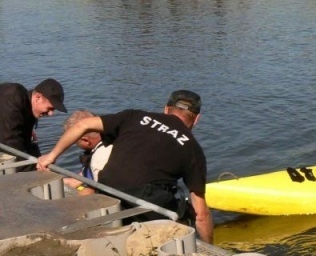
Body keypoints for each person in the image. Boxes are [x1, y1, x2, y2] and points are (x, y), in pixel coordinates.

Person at [37, 90, 213, 244]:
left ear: (166, 109)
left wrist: (51, 156)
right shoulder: (193, 149)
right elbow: (202, 215)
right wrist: (211, 248)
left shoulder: (135, 116)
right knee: (187, 210)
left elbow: (82, 125)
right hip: (145, 203)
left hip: (107, 193)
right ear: (197, 119)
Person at [0, 78, 67, 163]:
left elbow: (27, 143)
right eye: (50, 108)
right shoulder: (12, 97)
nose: (51, 113)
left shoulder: (29, 110)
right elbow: (11, 142)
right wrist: (35, 166)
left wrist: (42, 161)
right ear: (38, 98)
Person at [60, 109, 113, 195]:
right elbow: (75, 181)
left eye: (75, 141)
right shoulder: (110, 140)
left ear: (86, 141)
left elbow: (102, 195)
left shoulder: (99, 159)